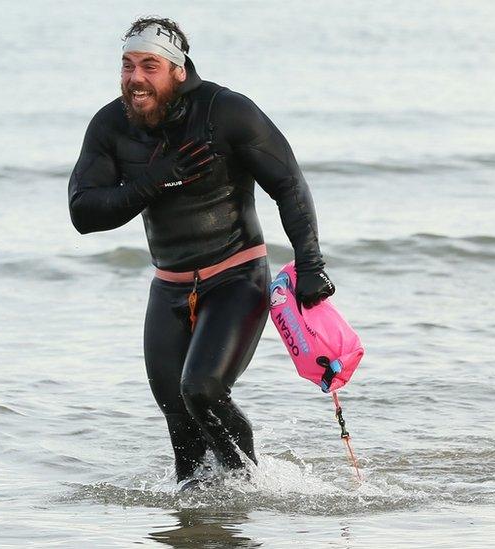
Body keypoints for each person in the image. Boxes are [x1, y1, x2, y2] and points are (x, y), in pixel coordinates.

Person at [68, 17, 335, 486]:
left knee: (203, 390)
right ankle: (197, 521)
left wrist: (311, 266)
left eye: (149, 66)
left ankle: (248, 490)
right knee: (178, 416)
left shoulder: (226, 112)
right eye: (127, 66)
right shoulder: (111, 124)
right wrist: (154, 179)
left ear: (177, 69)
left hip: (235, 277)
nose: (135, 79)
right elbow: (84, 213)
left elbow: (288, 184)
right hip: (169, 288)